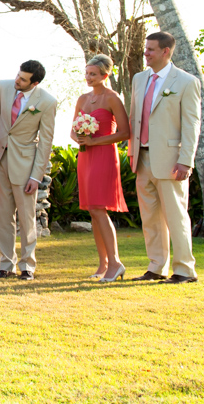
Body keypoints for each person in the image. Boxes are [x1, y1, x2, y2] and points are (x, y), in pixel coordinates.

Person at [128, 32, 201, 284]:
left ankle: (184, 270)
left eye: (150, 49)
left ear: (165, 51)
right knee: (150, 218)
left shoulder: (186, 81)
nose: (145, 53)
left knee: (176, 216)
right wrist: (131, 151)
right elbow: (134, 117)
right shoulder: (139, 79)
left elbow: (191, 124)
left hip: (171, 160)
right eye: (145, 48)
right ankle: (156, 267)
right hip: (142, 158)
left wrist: (185, 160)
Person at [0, 60, 57, 281]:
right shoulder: (4, 87)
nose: (17, 80)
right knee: (2, 216)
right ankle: (6, 265)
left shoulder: (47, 102)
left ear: (34, 83)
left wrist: (37, 175)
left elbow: (45, 142)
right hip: (0, 160)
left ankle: (27, 266)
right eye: (18, 75)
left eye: (23, 79)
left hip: (25, 165)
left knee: (26, 217)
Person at [71, 54, 130, 283]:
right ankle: (104, 263)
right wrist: (80, 138)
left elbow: (124, 132)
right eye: (87, 73)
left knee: (98, 208)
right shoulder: (82, 99)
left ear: (105, 75)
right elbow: (73, 130)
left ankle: (115, 263)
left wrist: (95, 141)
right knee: (92, 210)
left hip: (104, 155)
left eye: (93, 74)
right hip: (85, 157)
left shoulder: (112, 98)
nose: (88, 77)